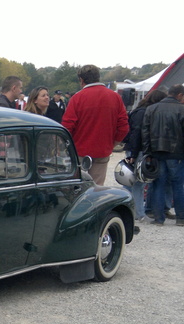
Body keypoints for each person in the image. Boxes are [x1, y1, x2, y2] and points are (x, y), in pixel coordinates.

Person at [62, 65, 129, 185]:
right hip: (102, 150)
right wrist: (113, 143)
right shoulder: (115, 97)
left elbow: (67, 126)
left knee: (76, 186)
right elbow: (123, 127)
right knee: (97, 188)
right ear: (98, 77)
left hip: (79, 151)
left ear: (81, 80)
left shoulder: (77, 98)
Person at [141, 84, 184, 226]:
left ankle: (159, 218)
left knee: (158, 184)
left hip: (156, 152)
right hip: (176, 153)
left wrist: (147, 152)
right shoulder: (181, 110)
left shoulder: (151, 109)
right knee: (178, 185)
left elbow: (145, 133)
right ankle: (181, 218)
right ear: (179, 95)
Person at [123, 89, 167, 223]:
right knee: (137, 183)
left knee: (133, 182)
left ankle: (135, 211)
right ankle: (137, 212)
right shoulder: (145, 113)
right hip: (139, 150)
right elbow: (137, 134)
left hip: (136, 150)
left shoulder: (141, 111)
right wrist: (135, 154)